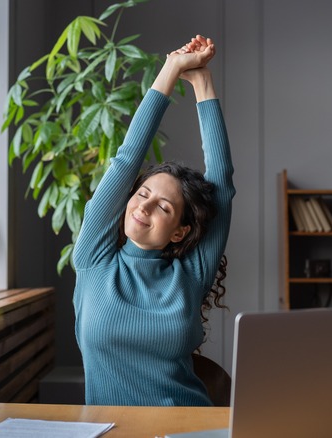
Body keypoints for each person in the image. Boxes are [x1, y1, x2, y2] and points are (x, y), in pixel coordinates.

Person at [72, 35, 235, 406]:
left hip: (188, 425)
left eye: (163, 207)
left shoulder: (191, 274)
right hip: (111, 430)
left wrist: (202, 81)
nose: (143, 208)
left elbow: (221, 181)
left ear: (180, 230)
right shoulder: (94, 259)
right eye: (142, 194)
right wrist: (171, 68)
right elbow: (127, 159)